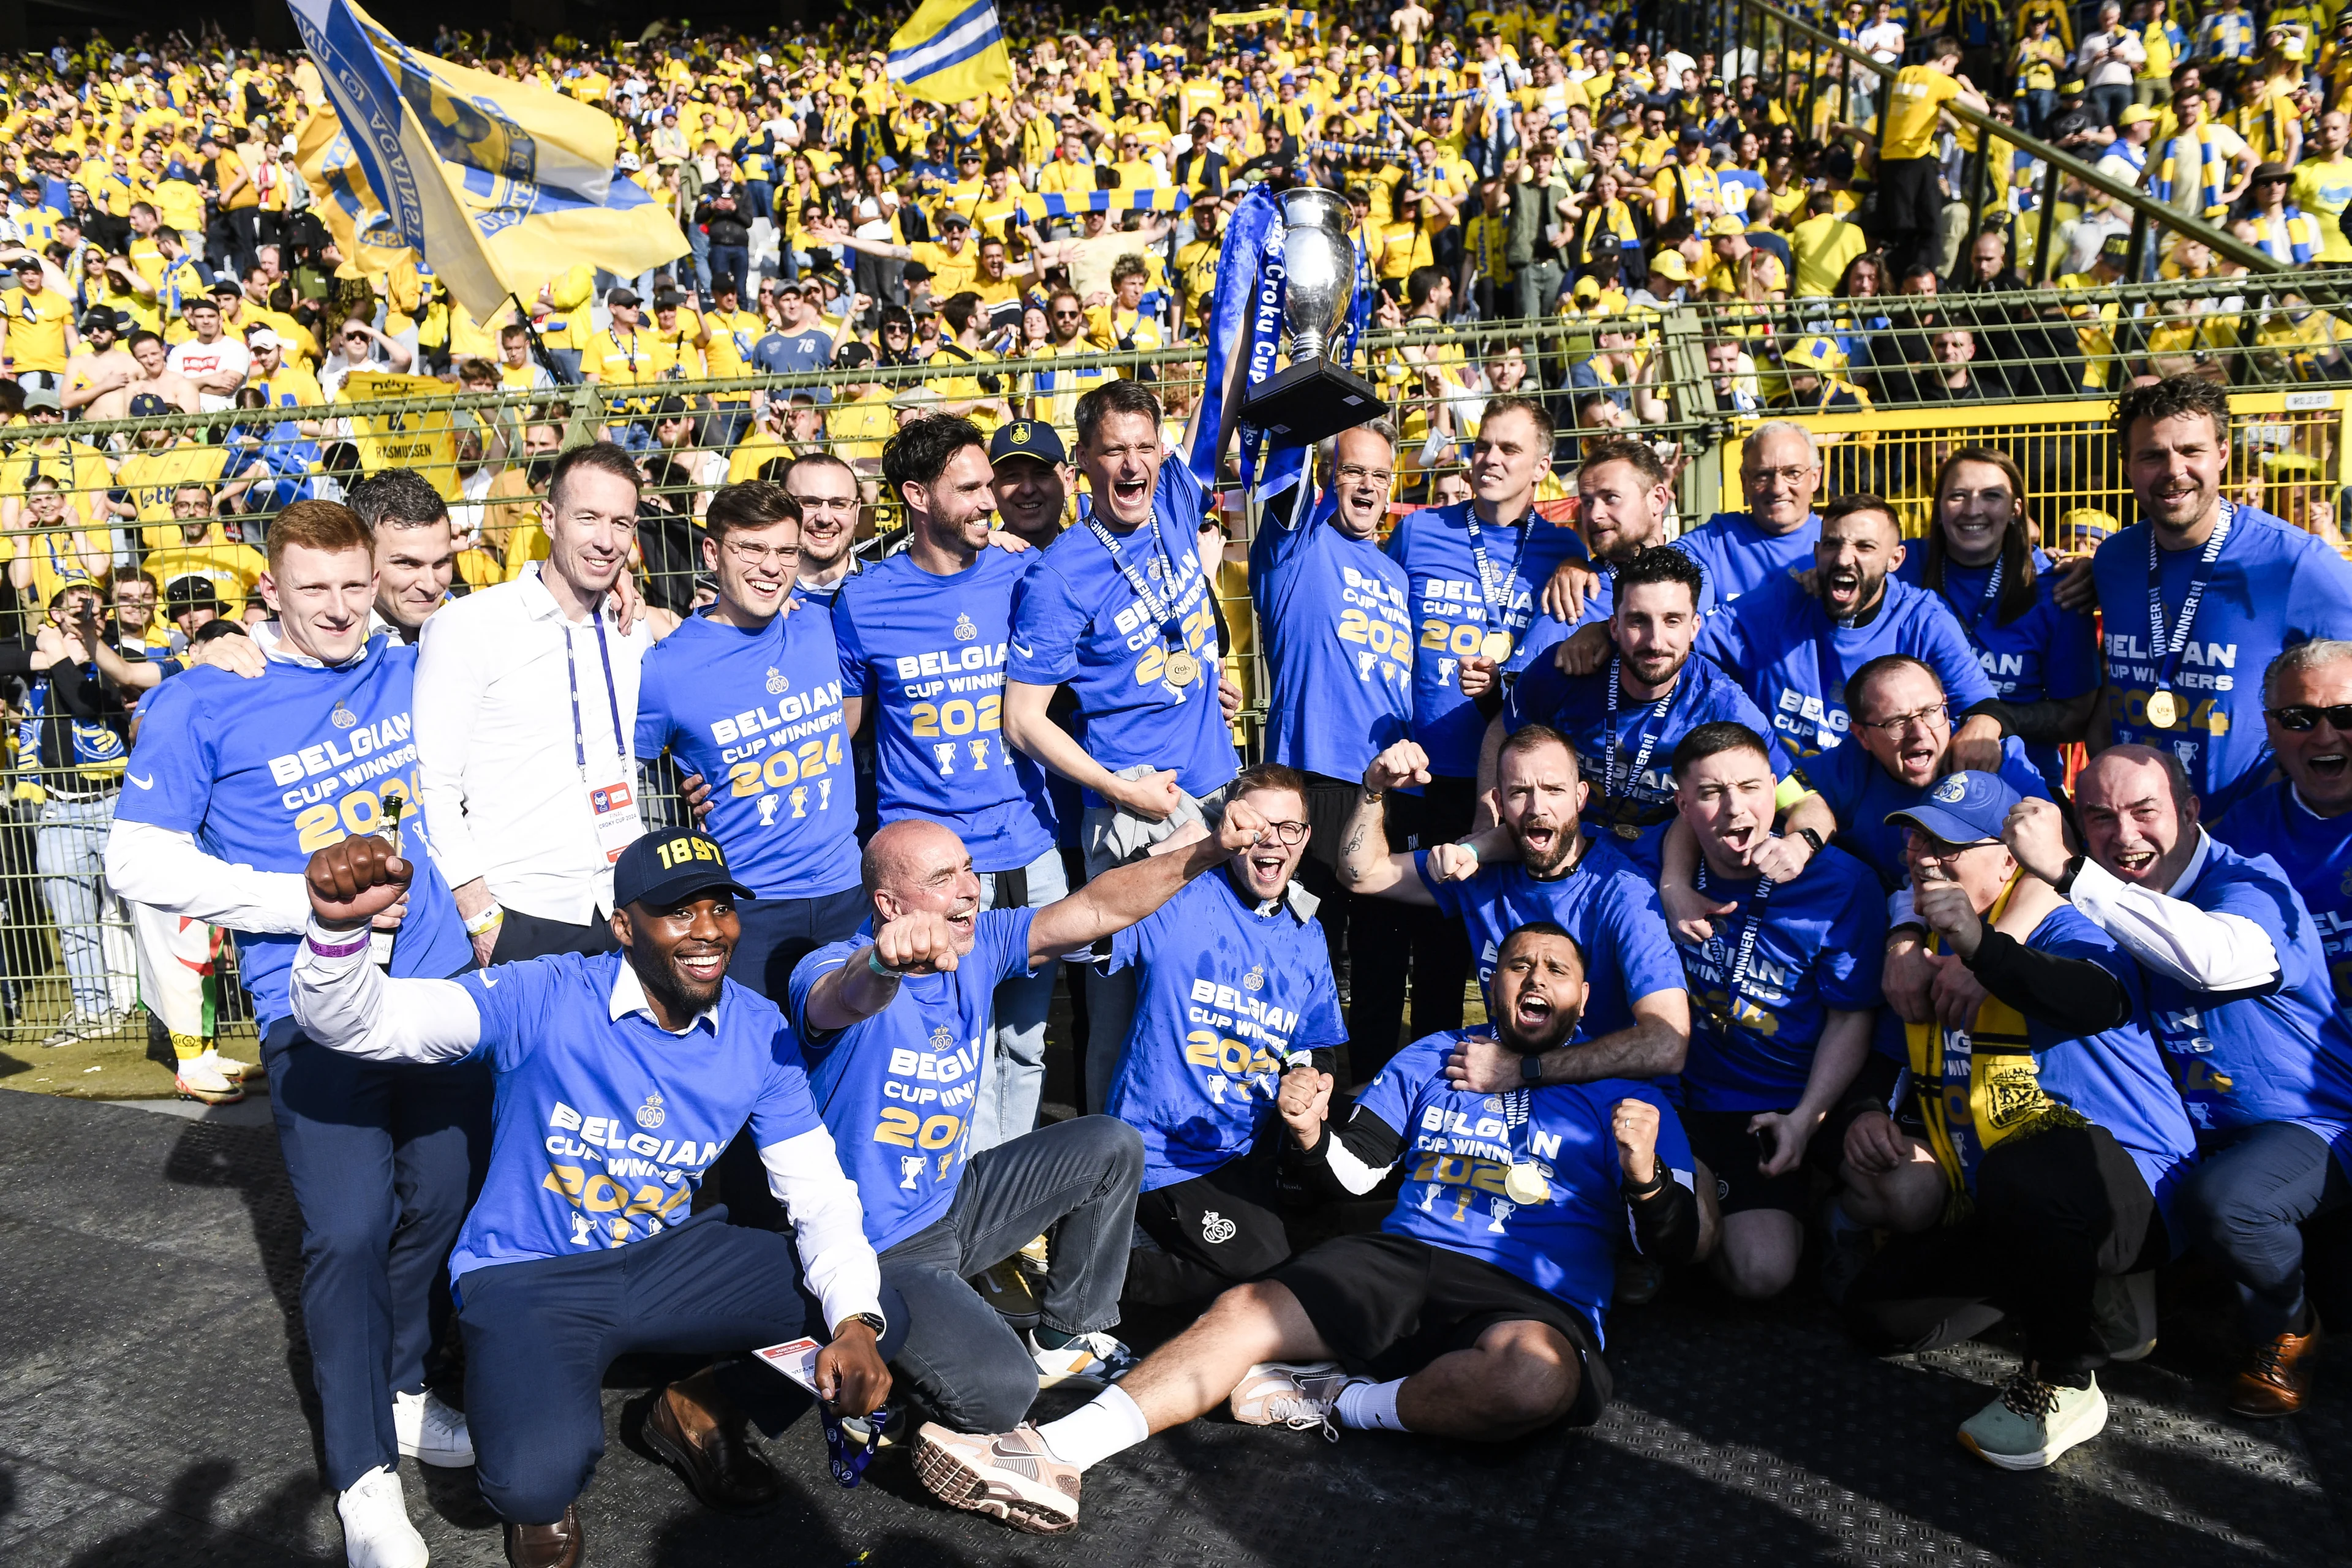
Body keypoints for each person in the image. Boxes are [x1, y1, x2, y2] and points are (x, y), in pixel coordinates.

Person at [911, 921, 1715, 1536]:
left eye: (1555, 972)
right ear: (1492, 980)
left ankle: (1340, 1397)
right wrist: (1309, 1134)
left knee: (1535, 1383)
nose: (1533, 980)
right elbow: (1355, 1175)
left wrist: (1644, 1177)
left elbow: (1681, 1248)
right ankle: (1053, 1455)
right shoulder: (1436, 1057)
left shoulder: (1621, 1089)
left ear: (1582, 997)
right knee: (1241, 1314)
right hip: (1403, 1256)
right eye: (1518, 966)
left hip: (1532, 1291)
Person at [287, 826, 895, 1568]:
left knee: (871, 1295)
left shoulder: (756, 1029)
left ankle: (699, 1405)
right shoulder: (543, 991)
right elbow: (370, 1023)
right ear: (623, 926)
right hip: (529, 1276)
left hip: (666, 1260)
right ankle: (536, 1416)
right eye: (679, 911)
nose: (708, 931)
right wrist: (338, 931)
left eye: (720, 908)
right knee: (531, 1484)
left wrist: (857, 1321)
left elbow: (820, 1196)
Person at [104, 500, 484, 1568]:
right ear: (267, 590)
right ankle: (363, 1478)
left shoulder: (412, 664)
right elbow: (135, 863)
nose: (339, 609)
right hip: (312, 1001)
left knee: (442, 1199)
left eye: (353, 585)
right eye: (311, 589)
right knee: (349, 1231)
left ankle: (403, 1386)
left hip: (440, 986)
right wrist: (304, 903)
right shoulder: (205, 698)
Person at [785, 795, 1275, 1441]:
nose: (969, 891)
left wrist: (1208, 850)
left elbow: (1099, 907)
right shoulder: (823, 969)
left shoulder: (979, 940)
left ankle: (1064, 1335)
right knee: (1002, 1398)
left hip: (954, 1199)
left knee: (1109, 1144)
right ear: (890, 906)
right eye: (942, 880)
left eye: (967, 870)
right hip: (880, 1249)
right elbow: (840, 996)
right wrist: (882, 964)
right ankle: (867, 1373)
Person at [1838, 770, 2195, 1470]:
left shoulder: (2068, 925)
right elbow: (1887, 1054)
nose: (1924, 857)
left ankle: (2062, 1376)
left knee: (2031, 1161)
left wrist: (1984, 949)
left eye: (1949, 846)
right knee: (1880, 1316)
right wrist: (1863, 1111)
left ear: (2009, 860)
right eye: (1916, 840)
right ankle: (2071, 1292)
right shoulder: (1927, 949)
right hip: (2015, 1202)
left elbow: (2092, 998)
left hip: (2132, 1189)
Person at [2014, 746, 2352, 1417]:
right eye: (2099, 817)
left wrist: (2067, 869)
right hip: (2194, 1128)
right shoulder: (2108, 893)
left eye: (2145, 811)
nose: (2124, 835)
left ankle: (2286, 1331)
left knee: (2228, 1202)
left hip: (2312, 1124)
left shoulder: (2251, 884)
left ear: (2191, 811)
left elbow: (2211, 959)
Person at [1003, 379, 1240, 1110]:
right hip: (1139, 817)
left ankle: (1196, 1158)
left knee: (1205, 997)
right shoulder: (1058, 575)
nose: (1132, 465)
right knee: (1127, 1010)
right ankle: (1111, 1178)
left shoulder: (1172, 503)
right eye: (1113, 451)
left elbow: (1224, 390)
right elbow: (1024, 720)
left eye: (1145, 447)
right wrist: (1118, 790)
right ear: (1083, 462)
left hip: (1218, 790)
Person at [834, 417, 1062, 1148]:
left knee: (1024, 1046)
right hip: (932, 872)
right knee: (943, 1049)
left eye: (986, 484)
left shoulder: (1022, 573)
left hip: (1032, 851)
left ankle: (1014, 1206)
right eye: (968, 488)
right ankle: (955, 1203)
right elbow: (836, 733)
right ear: (915, 496)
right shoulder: (864, 601)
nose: (990, 501)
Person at [1379, 395, 1590, 1069]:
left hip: (1506, 786)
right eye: (1482, 447)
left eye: (1508, 449)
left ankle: (1475, 1085)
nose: (1490, 460)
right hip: (1424, 772)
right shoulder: (1419, 532)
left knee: (1481, 948)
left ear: (1542, 465)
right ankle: (1394, 1087)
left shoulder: (1565, 550)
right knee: (1406, 944)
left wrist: (1579, 569)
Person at [1100, 763, 1343, 1305]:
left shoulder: (1308, 933)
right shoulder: (1182, 895)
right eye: (1255, 824)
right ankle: (1098, 1260)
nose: (1271, 841)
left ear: (1305, 838)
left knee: (1303, 1262)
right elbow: (1096, 917)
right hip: (1160, 1152)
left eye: (1289, 829)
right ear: (1231, 825)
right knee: (1265, 1286)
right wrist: (1195, 845)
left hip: (1246, 1151)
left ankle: (1125, 1246)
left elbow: (1318, 1041)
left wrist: (1309, 1075)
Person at [1339, 726, 1691, 1084]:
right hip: (1500, 1084)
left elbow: (1667, 1043)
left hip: (1603, 1101)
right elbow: (1361, 874)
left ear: (1580, 797)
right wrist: (1373, 789)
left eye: (1554, 789)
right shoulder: (1478, 871)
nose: (1538, 808)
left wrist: (1524, 1070)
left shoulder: (1623, 892)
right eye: (1520, 792)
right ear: (1500, 802)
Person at [1667, 723, 1885, 1300]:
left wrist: (1808, 1117)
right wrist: (1671, 885)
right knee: (1756, 1272)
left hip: (1793, 1100)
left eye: (1750, 788)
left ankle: (1825, 1209)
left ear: (1775, 789)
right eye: (1712, 794)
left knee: (1903, 1193)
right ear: (1683, 805)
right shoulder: (1661, 870)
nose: (1736, 809)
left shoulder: (1843, 883)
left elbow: (1850, 1016)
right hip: (1694, 1101)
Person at [415, 444, 655, 965]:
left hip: (623, 903)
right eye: (588, 518)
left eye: (621, 523)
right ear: (549, 518)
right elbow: (434, 783)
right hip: (521, 909)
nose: (605, 541)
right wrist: (478, 912)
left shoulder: (631, 628)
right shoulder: (469, 627)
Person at [2090, 376, 2352, 820]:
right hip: (2136, 837)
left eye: (2192, 451)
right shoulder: (2113, 560)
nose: (2174, 471)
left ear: (2223, 454)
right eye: (2152, 455)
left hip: (2251, 837)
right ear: (2128, 466)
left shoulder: (2293, 563)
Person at [636, 481, 860, 999]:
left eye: (785, 551)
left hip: (846, 891)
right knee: (762, 1065)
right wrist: (683, 801)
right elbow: (628, 774)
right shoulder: (667, 670)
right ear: (713, 553)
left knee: (853, 1058)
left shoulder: (820, 626)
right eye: (752, 549)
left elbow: (854, 708)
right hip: (749, 904)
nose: (771, 567)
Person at [1489, 543, 1820, 877]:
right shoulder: (1565, 670)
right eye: (1638, 621)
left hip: (1663, 872)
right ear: (1614, 627)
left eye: (1672, 621)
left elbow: (1804, 802)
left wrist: (1798, 845)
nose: (1656, 641)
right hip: (1564, 858)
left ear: (1694, 628)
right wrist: (1485, 824)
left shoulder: (1722, 705)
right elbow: (1502, 734)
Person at [1250, 422, 1416, 1083]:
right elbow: (1283, 472)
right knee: (1301, 961)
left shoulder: (1397, 574)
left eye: (1380, 475)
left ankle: (1370, 1114)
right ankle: (1296, 1124)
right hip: (1312, 781)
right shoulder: (1297, 548)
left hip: (1389, 793)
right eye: (1353, 471)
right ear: (1328, 479)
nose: (1368, 486)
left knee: (1380, 965)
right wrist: (1307, 405)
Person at [1894, 447, 2101, 789]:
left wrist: (1994, 721)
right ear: (1939, 506)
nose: (1973, 510)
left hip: (2020, 782)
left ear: (2016, 509)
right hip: (1910, 779)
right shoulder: (1900, 566)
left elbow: (2076, 717)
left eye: (1992, 496)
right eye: (1958, 496)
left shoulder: (2055, 588)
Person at [1667, 420, 1823, 608]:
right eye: (1763, 475)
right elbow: (1654, 573)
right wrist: (1652, 501)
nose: (1778, 488)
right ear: (1744, 482)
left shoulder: (1840, 547)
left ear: (1815, 478)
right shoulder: (1716, 541)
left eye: (1793, 473)